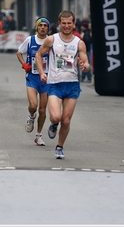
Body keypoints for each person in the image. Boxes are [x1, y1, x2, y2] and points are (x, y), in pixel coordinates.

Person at [36, 10, 90, 159]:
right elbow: (38, 55)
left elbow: (86, 65)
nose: (66, 26)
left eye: (69, 23)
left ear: (74, 24)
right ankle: (53, 125)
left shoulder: (79, 43)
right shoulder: (51, 40)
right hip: (55, 84)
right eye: (64, 23)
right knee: (55, 117)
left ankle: (59, 147)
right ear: (59, 24)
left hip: (72, 85)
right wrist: (41, 73)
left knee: (66, 120)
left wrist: (84, 66)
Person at [16, 17, 51, 146]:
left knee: (42, 109)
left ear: (48, 28)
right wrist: (24, 64)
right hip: (32, 77)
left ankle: (38, 135)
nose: (42, 27)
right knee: (33, 105)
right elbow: (19, 52)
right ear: (37, 27)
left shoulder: (51, 41)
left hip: (46, 79)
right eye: (40, 25)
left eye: (45, 25)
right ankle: (31, 117)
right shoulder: (30, 40)